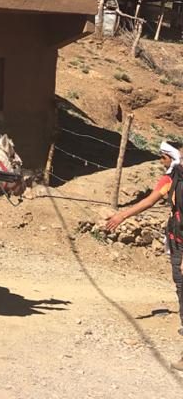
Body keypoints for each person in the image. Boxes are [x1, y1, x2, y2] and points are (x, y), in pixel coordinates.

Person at [105, 140, 183, 368]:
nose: (162, 161)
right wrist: (123, 215)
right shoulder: (172, 179)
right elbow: (150, 200)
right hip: (177, 240)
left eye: (164, 157)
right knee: (180, 287)